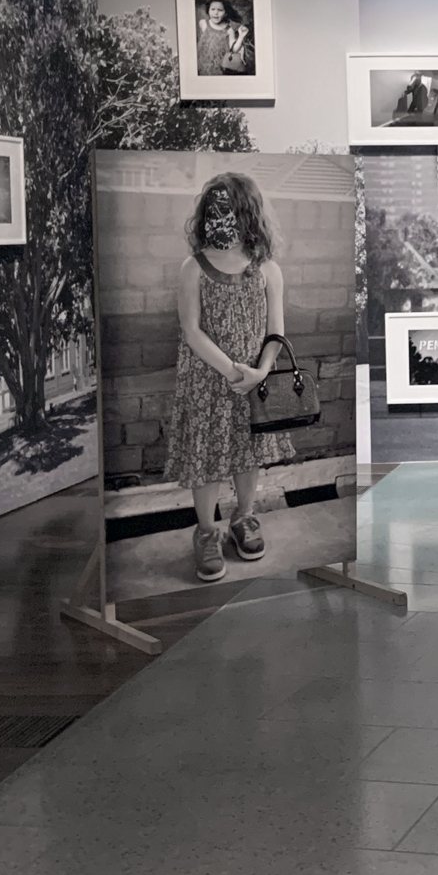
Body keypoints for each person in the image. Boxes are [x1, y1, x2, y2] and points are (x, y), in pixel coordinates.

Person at [165, 173, 293, 582]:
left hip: (251, 383)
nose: (223, 217)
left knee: (246, 454)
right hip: (206, 383)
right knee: (206, 460)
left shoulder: (268, 269)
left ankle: (244, 518)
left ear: (248, 214)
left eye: (232, 209)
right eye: (215, 209)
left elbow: (276, 331)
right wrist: (232, 371)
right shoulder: (193, 267)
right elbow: (191, 330)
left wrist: (259, 372)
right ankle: (206, 532)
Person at [196, 0, 251, 76]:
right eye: (213, 9)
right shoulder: (203, 23)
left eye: (220, 10)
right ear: (208, 11)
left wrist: (241, 37)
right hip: (202, 66)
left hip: (219, 68)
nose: (216, 13)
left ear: (225, 13)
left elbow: (234, 49)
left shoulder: (229, 30)